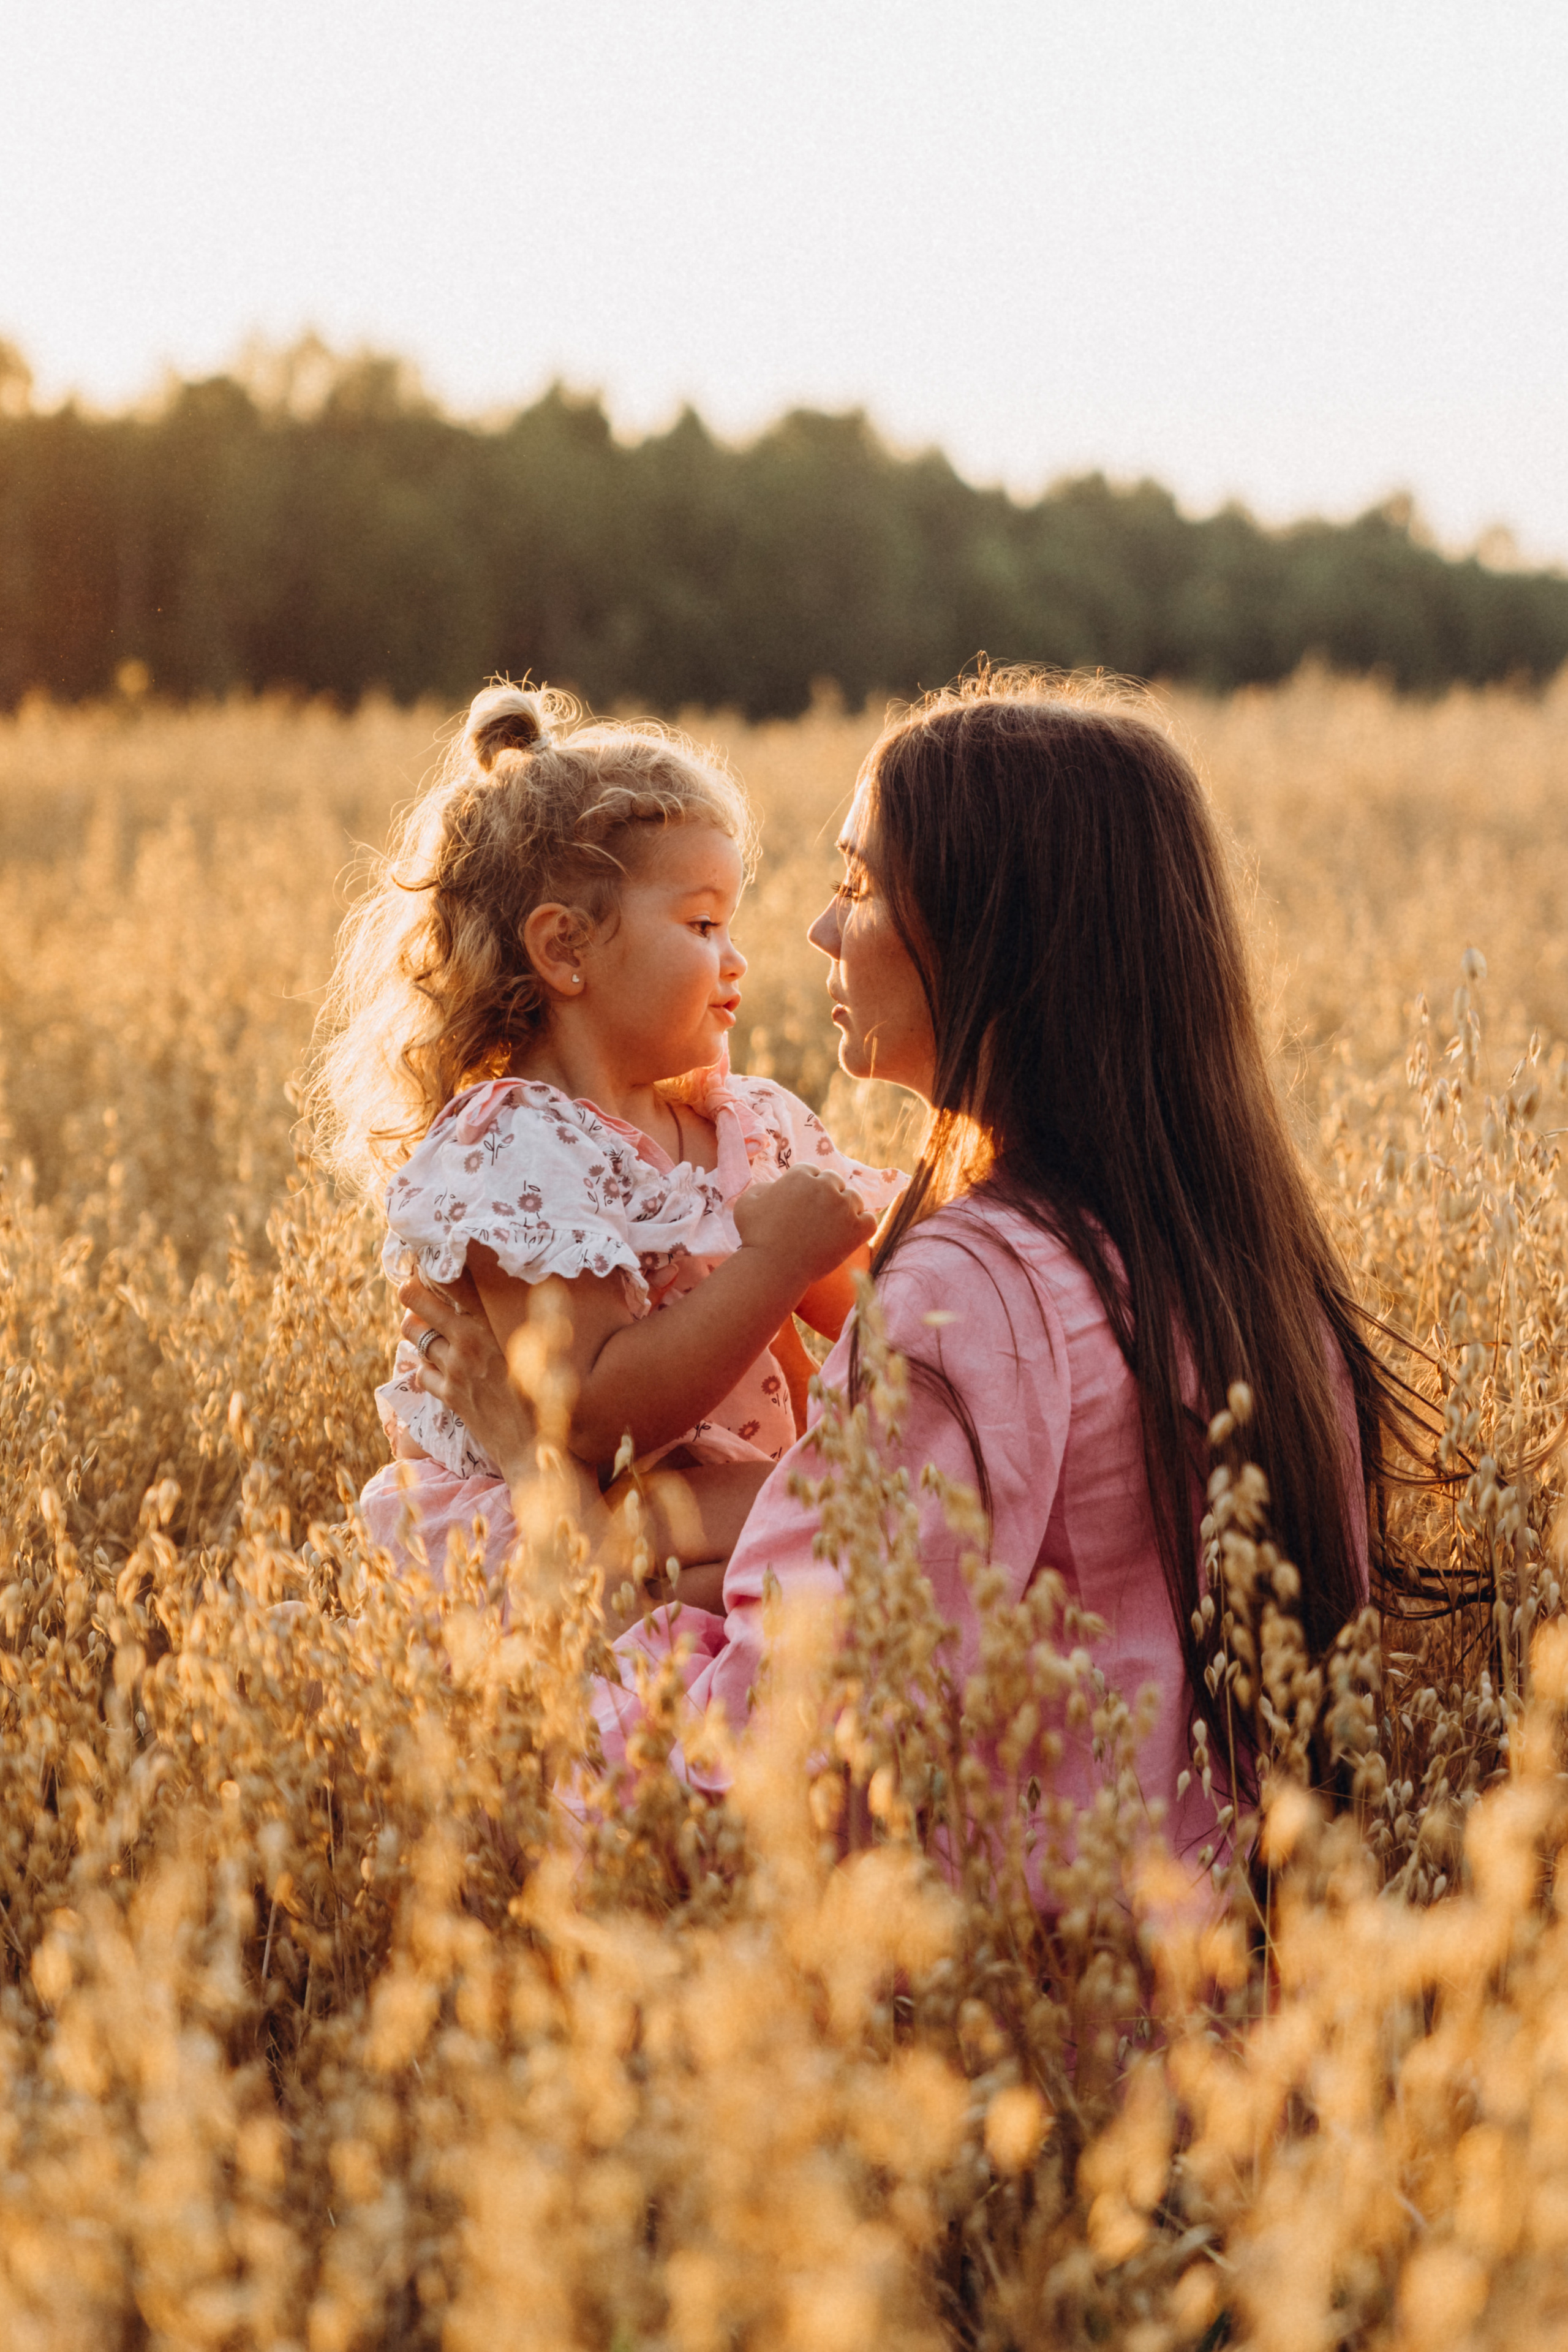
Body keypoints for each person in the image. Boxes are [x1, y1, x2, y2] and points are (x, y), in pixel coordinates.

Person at [405, 671, 1396, 1855]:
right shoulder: (1205, 1246)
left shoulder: (969, 1296)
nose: (817, 932)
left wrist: (543, 1500)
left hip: (1007, 2003)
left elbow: (736, 1779)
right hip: (1196, 1970)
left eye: (859, 886)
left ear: (997, 939)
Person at [309, 682, 904, 1607]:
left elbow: (892, 1295)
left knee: (852, 1512)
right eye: (704, 925)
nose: (737, 958)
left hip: (703, 1516)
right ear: (567, 950)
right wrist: (774, 1262)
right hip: (548, 1530)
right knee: (831, 1504)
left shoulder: (747, 1123)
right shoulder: (518, 1147)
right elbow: (590, 1414)